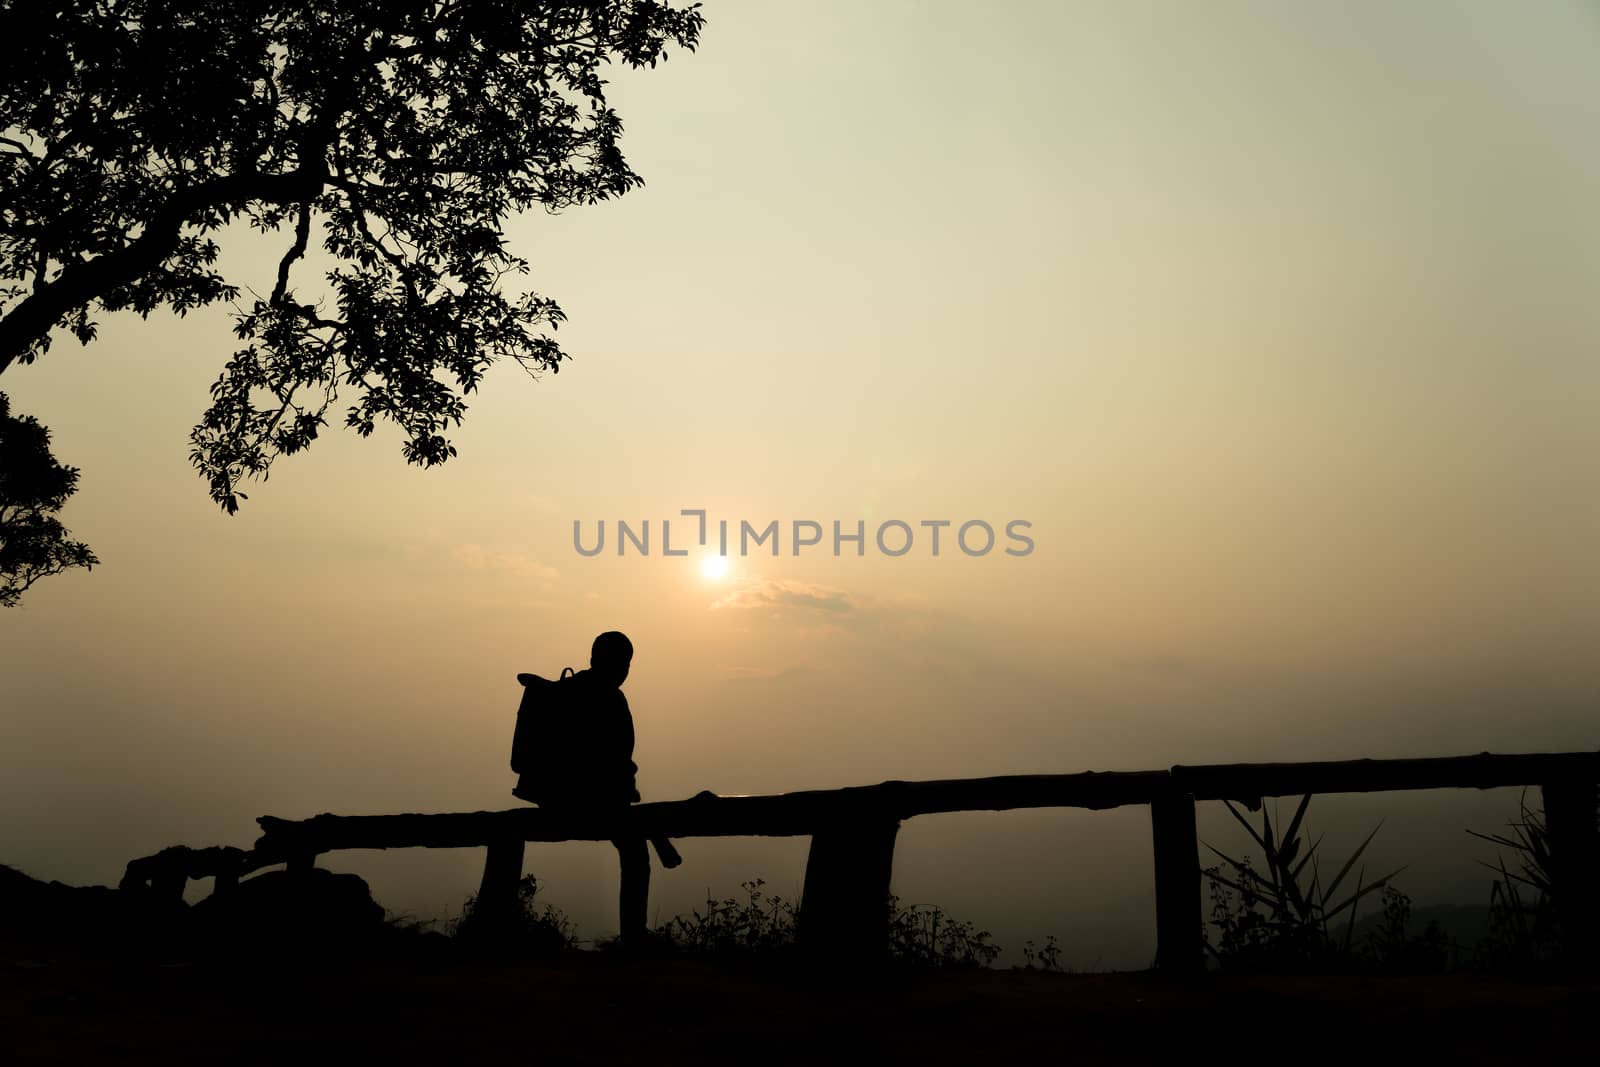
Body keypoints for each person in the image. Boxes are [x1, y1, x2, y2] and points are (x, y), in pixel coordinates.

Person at [517, 631, 673, 943]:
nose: (625, 671)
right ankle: (633, 937)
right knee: (635, 851)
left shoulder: (564, 691)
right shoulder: (611, 698)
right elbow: (616, 758)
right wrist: (624, 790)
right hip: (593, 805)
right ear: (615, 664)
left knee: (635, 838)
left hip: (552, 801)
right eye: (624, 664)